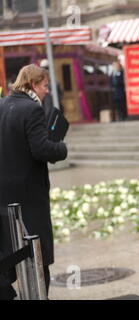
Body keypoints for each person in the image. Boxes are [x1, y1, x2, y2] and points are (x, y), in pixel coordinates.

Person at [0, 64, 68, 299]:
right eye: (45, 86)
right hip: (29, 197)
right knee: (37, 256)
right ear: (33, 85)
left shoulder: (3, 105)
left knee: (9, 253)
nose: (47, 91)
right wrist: (61, 147)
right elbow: (41, 149)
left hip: (5, 197)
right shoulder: (32, 109)